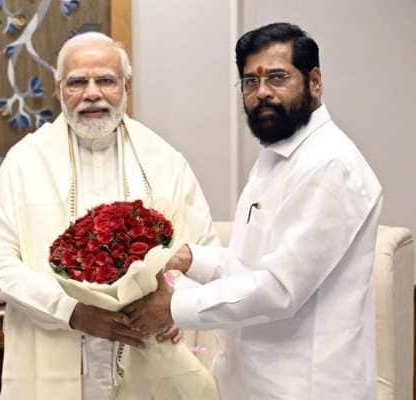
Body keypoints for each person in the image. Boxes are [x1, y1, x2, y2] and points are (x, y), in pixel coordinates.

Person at [124, 22, 382, 400]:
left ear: (315, 82)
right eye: (249, 82)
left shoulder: (329, 165)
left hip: (308, 388)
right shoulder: (276, 157)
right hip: (254, 384)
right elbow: (252, 267)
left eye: (277, 78)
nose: (262, 92)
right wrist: (192, 258)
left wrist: (174, 306)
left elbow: (279, 289)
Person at [0, 32, 218, 400]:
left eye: (105, 80)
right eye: (77, 82)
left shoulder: (165, 160)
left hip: (146, 349)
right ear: (59, 89)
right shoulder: (25, 161)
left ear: (126, 86)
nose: (92, 93)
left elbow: (203, 250)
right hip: (54, 343)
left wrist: (170, 305)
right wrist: (71, 311)